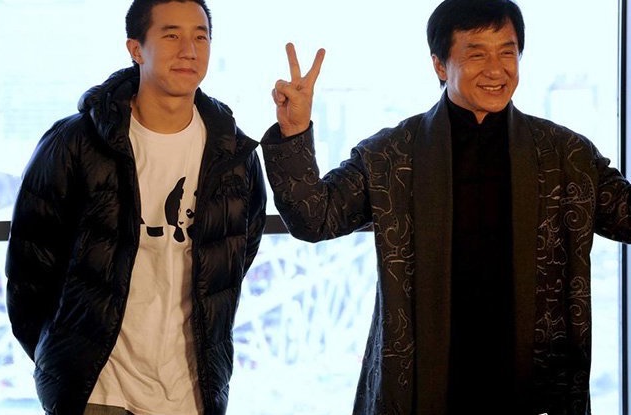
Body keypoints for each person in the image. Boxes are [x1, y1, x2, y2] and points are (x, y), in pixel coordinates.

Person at [262, 0, 630, 414]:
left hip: (532, 383)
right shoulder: (392, 154)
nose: (496, 69)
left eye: (507, 52)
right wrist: (294, 130)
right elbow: (314, 218)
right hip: (423, 383)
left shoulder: (565, 154)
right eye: (477, 54)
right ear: (440, 65)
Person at [4, 0, 267, 414]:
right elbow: (29, 269)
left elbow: (236, 255)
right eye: (171, 35)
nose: (189, 50)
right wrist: (60, 360)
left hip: (192, 392)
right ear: (135, 48)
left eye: (200, 37)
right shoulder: (76, 143)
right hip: (97, 392)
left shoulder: (234, 154)